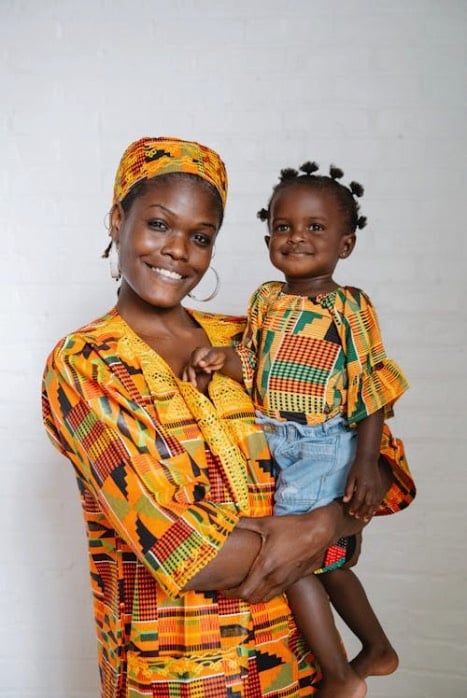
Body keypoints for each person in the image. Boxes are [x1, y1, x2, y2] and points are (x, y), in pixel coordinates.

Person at [41, 138, 416, 698]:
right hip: (178, 673)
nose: (178, 251)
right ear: (119, 219)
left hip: (297, 668)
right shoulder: (89, 364)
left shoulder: (248, 339)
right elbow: (184, 548)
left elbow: (382, 470)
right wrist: (329, 527)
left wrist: (329, 519)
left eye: (200, 237)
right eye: (159, 225)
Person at [184, 160, 414, 697]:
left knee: (295, 562)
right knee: (329, 563)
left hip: (322, 445)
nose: (297, 238)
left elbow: (371, 386)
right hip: (277, 437)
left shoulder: (348, 307)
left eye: (316, 228)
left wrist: (363, 460)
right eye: (284, 227)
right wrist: (223, 360)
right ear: (268, 237)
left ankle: (338, 678)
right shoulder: (267, 299)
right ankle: (378, 650)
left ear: (346, 244)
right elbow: (257, 365)